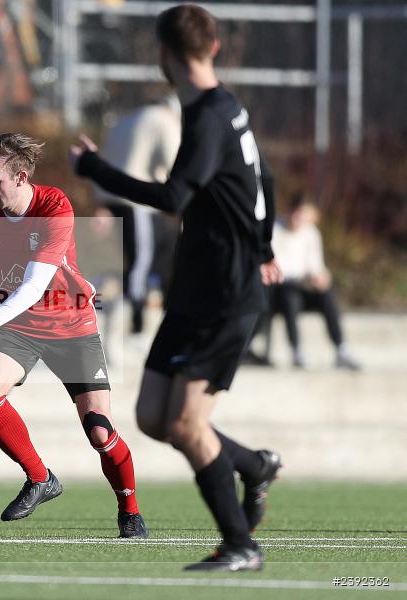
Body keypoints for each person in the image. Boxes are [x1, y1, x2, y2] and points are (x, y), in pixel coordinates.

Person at [69, 5, 283, 571]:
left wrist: (95, 170)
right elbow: (264, 179)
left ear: (162, 54)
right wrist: (265, 246)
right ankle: (254, 466)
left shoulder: (210, 114)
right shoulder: (221, 108)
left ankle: (240, 545)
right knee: (153, 417)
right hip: (196, 288)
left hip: (226, 292)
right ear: (213, 46)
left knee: (186, 422)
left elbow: (173, 197)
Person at [0, 133, 147, 539]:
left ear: (21, 177)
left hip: (71, 325)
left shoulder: (54, 206)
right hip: (17, 324)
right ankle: (40, 478)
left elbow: (35, 286)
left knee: (99, 430)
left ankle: (130, 510)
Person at [92, 95, 181, 336]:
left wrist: (101, 201)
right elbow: (174, 162)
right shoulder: (164, 120)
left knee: (130, 261)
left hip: (112, 196)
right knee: (142, 261)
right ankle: (135, 321)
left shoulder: (127, 119)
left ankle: (123, 315)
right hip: (138, 200)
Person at [272, 193, 361, 370]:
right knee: (290, 295)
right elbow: (276, 268)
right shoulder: (275, 229)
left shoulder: (311, 233)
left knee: (328, 295)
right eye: (297, 212)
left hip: (302, 287)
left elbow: (315, 266)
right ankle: (296, 349)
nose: (298, 217)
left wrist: (320, 277)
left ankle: (341, 349)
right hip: (278, 290)